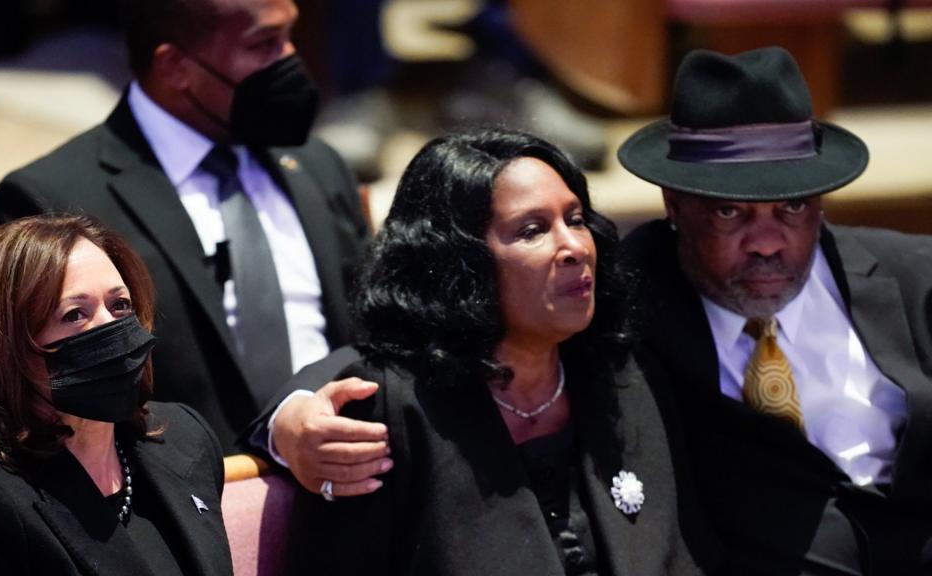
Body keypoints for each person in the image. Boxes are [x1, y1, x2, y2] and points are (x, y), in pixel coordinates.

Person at [280, 128, 714, 575]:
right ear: (459, 261)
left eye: (577, 219)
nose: (573, 247)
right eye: (532, 230)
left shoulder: (623, 377)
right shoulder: (390, 413)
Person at [0, 0, 371, 453]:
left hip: (355, 473)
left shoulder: (315, 163)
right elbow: (54, 411)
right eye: (265, 44)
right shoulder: (49, 202)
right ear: (174, 66)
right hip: (184, 501)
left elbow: (377, 327)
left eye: (290, 36)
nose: (290, 59)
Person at [618, 46, 932, 575]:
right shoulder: (628, 308)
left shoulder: (915, 278)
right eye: (728, 211)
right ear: (673, 204)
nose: (766, 242)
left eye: (792, 207)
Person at [0, 215, 232, 575]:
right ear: (3, 346)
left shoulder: (185, 437)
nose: (111, 328)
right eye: (75, 314)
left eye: (119, 305)